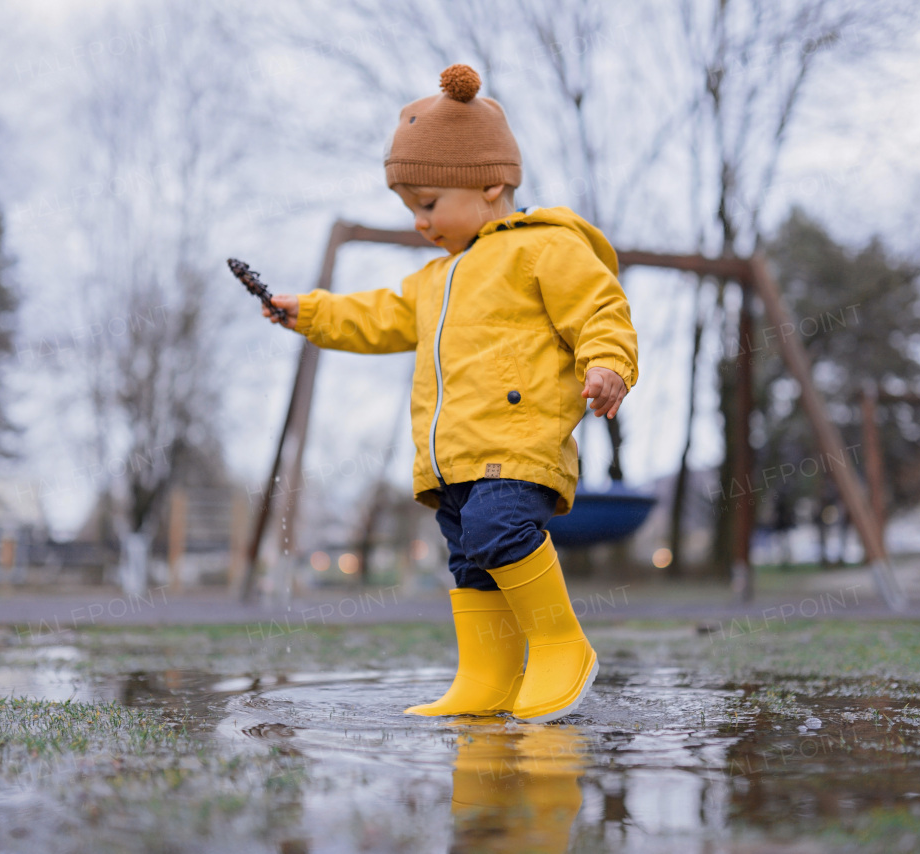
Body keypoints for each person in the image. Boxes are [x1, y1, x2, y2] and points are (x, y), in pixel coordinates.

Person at [260, 63, 638, 724]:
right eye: (410, 209)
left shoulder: (543, 248)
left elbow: (600, 308)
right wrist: (310, 313)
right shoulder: (433, 280)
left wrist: (608, 363)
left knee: (500, 528)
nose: (419, 222)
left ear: (489, 184)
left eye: (428, 204)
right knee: (468, 556)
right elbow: (375, 316)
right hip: (452, 457)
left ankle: (559, 644)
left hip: (517, 443)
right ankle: (487, 676)